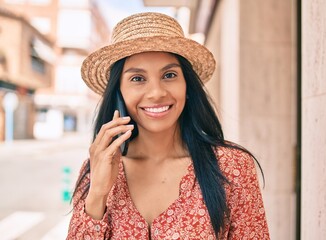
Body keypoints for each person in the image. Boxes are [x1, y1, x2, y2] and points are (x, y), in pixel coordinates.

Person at [66, 12, 269, 240]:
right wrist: (97, 195)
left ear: (187, 86)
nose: (156, 93)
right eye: (137, 79)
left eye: (169, 75)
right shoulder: (96, 169)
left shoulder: (232, 167)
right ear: (119, 92)